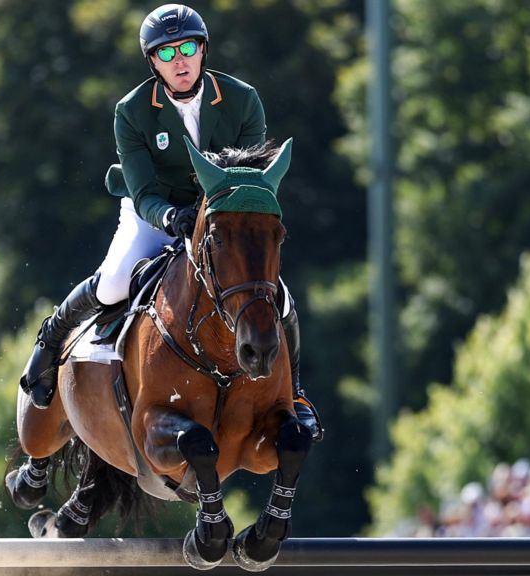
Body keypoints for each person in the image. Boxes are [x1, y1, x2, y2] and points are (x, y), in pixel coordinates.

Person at [19, 3, 323, 441]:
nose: (179, 60)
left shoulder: (241, 99)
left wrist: (207, 216)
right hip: (157, 213)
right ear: (152, 62)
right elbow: (143, 191)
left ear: (202, 50)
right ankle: (52, 340)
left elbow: (250, 180)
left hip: (219, 217)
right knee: (114, 281)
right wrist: (169, 216)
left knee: (279, 297)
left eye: (187, 48)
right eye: (166, 53)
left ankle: (294, 395)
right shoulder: (133, 110)